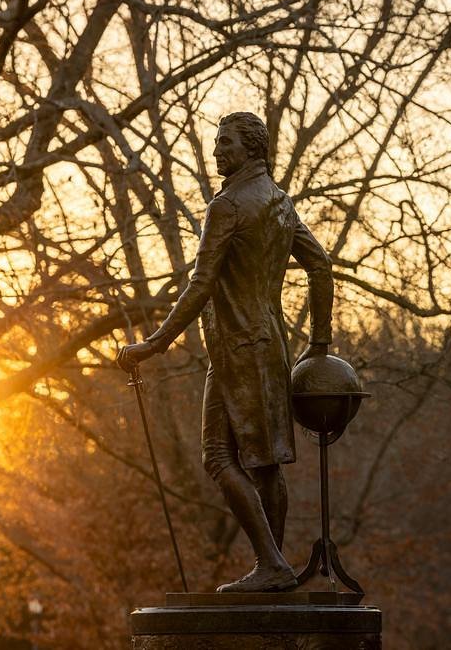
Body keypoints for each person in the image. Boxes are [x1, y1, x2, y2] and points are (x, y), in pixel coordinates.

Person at [117, 111, 334, 593]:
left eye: (226, 143)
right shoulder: (280, 201)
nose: (217, 151)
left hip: (236, 348)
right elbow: (320, 266)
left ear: (251, 148)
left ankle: (271, 565)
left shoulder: (229, 205)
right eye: (217, 143)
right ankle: (273, 569)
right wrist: (318, 342)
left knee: (218, 457)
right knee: (265, 464)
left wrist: (154, 344)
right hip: (269, 345)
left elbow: (200, 285)